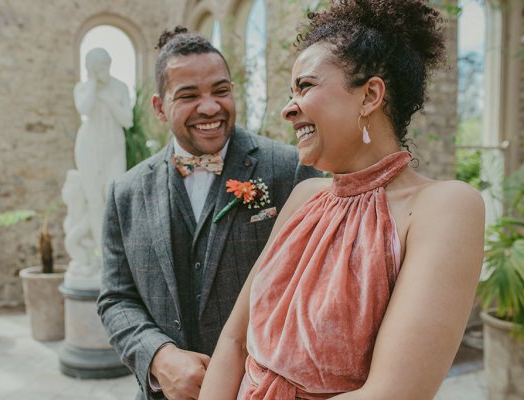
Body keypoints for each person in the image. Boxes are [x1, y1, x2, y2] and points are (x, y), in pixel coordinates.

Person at [199, 1, 485, 399]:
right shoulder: (304, 196)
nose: (288, 108)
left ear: (370, 96)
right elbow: (233, 341)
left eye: (306, 86)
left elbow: (392, 393)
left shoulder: (445, 208)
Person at [96, 27, 320, 400]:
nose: (211, 107)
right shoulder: (126, 193)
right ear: (159, 107)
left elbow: (316, 291)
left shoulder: (291, 171)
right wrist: (158, 357)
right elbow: (116, 298)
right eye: (188, 95)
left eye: (220, 90)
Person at [74, 47, 133, 250]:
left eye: (106, 66)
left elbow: (127, 120)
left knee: (113, 194)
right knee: (94, 199)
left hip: (114, 147)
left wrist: (108, 100)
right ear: (91, 69)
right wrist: (92, 83)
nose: (104, 71)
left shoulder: (120, 87)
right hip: (89, 146)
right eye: (99, 68)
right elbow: (84, 109)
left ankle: (114, 245)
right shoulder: (82, 88)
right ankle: (100, 250)